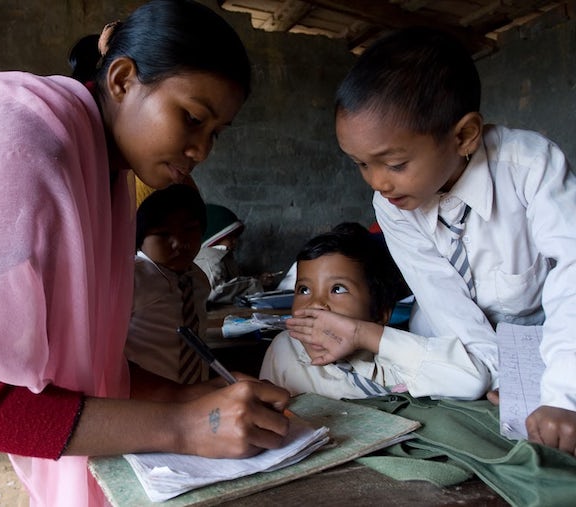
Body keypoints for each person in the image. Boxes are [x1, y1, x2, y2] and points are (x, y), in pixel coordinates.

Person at [0, 1, 293, 505]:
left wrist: (187, 395)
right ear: (123, 79)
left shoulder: (99, 168)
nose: (201, 150)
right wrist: (185, 426)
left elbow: (86, 365)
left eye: (215, 132)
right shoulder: (23, 148)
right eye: (192, 118)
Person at [289, 26, 576, 456]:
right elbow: (448, 306)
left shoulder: (530, 168)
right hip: (466, 355)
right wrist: (508, 383)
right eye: (361, 164)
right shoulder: (392, 206)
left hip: (551, 351)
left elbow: (571, 278)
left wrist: (560, 393)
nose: (378, 182)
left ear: (463, 136)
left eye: (395, 163)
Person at [262, 222, 486, 399]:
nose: (316, 304)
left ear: (381, 313)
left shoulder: (400, 358)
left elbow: (472, 380)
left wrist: (363, 335)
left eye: (337, 289)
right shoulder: (285, 350)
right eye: (303, 289)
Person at [126, 184, 211, 384]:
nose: (179, 242)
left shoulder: (198, 279)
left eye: (189, 228)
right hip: (147, 397)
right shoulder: (131, 279)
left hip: (195, 392)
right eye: (163, 234)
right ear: (138, 238)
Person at [193, 204, 265, 305]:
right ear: (214, 238)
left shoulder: (225, 257)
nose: (235, 241)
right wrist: (255, 283)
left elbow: (233, 280)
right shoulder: (210, 258)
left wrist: (258, 279)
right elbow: (213, 292)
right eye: (230, 237)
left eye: (236, 237)